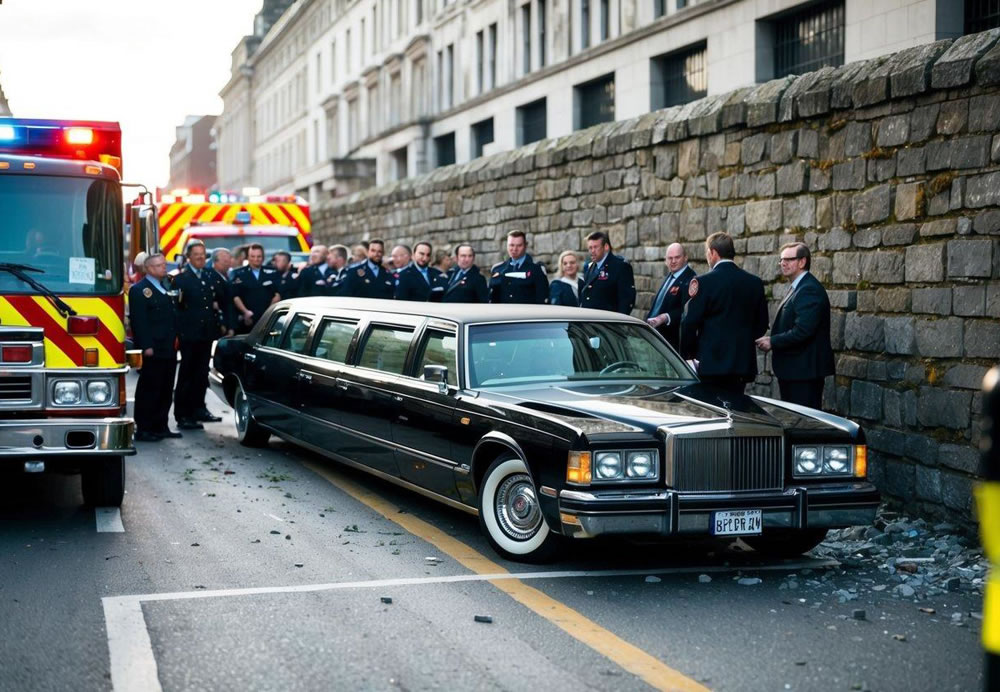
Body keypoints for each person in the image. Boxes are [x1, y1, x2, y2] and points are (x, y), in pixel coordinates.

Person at [680, 232, 768, 394]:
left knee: (714, 411)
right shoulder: (754, 283)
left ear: (713, 253)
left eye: (707, 252)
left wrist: (690, 356)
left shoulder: (704, 282)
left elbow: (690, 323)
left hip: (711, 363)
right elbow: (761, 324)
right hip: (741, 363)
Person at [755, 242, 835, 410]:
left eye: (789, 259)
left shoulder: (808, 289)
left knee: (804, 426)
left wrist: (773, 341)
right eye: (781, 260)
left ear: (802, 262)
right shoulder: (798, 287)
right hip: (795, 370)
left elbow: (803, 330)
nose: (783, 263)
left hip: (804, 373)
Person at [128, 253, 181, 441]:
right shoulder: (140, 290)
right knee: (150, 388)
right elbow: (139, 321)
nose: (163, 268)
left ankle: (161, 425)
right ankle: (144, 428)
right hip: (153, 347)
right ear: (149, 269)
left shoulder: (166, 286)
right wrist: (146, 346)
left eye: (164, 264)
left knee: (166, 388)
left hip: (169, 346)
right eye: (159, 265)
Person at [171, 241, 224, 430]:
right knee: (187, 374)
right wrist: (180, 332)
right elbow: (176, 308)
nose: (201, 257)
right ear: (189, 257)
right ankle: (183, 414)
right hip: (189, 335)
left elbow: (220, 298)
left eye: (203, 254)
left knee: (202, 374)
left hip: (206, 334)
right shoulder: (181, 280)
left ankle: (199, 408)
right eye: (197, 254)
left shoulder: (209, 276)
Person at [646, 242, 697, 351]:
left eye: (677, 257)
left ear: (685, 258)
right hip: (657, 337)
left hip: (674, 343)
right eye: (670, 258)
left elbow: (687, 311)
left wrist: (666, 317)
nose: (673, 261)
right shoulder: (670, 276)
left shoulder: (691, 279)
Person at [578, 232, 635, 314]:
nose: (592, 251)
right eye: (590, 248)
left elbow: (626, 299)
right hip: (590, 320)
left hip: (608, 322)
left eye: (595, 247)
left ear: (606, 247)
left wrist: (618, 322)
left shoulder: (620, 266)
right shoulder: (591, 267)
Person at [231, 243, 281, 332]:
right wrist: (245, 312)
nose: (256, 259)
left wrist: (269, 314)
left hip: (268, 317)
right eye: (252, 256)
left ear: (263, 257)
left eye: (259, 256)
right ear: (248, 257)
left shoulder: (272, 272)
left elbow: (277, 295)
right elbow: (235, 296)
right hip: (247, 319)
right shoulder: (238, 273)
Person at [489, 230, 548, 304]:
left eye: (519, 245)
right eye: (511, 245)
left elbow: (542, 299)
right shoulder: (497, 269)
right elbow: (491, 298)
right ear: (507, 245)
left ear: (525, 246)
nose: (514, 249)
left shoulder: (536, 270)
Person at [208, 248, 236, 337]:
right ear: (215, 262)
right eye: (224, 261)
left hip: (228, 323)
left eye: (228, 260)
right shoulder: (211, 278)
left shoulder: (227, 277)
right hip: (218, 324)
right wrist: (222, 323)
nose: (227, 263)